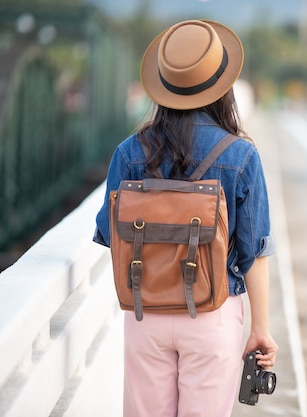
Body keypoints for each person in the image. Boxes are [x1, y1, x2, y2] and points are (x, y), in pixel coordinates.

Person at [93, 19, 278, 417]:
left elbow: (109, 234)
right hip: (213, 314)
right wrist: (260, 329)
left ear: (163, 85)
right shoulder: (241, 156)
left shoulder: (129, 152)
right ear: (222, 86)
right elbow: (255, 253)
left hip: (146, 312)